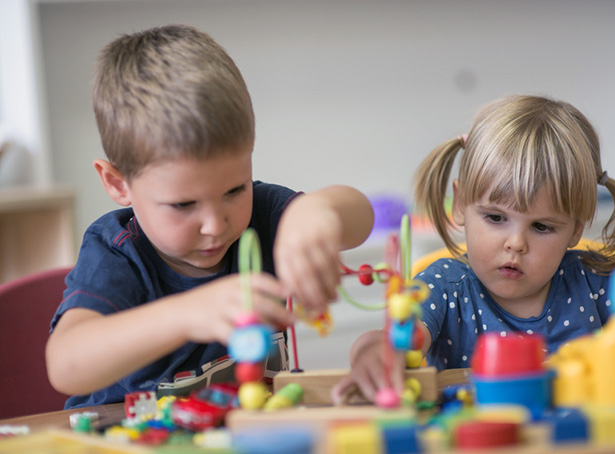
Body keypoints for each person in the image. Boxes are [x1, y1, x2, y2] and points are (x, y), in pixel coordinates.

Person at [45, 24, 374, 409]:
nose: (216, 225)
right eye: (184, 205)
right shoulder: (116, 252)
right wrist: (183, 315)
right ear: (119, 184)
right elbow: (65, 365)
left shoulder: (265, 216)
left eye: (235, 190)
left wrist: (318, 213)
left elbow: (360, 216)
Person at [332, 94, 615, 403]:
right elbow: (402, 339)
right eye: (496, 218)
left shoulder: (598, 285)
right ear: (459, 204)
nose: (516, 244)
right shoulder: (442, 286)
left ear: (576, 229)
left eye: (542, 227)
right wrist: (372, 349)